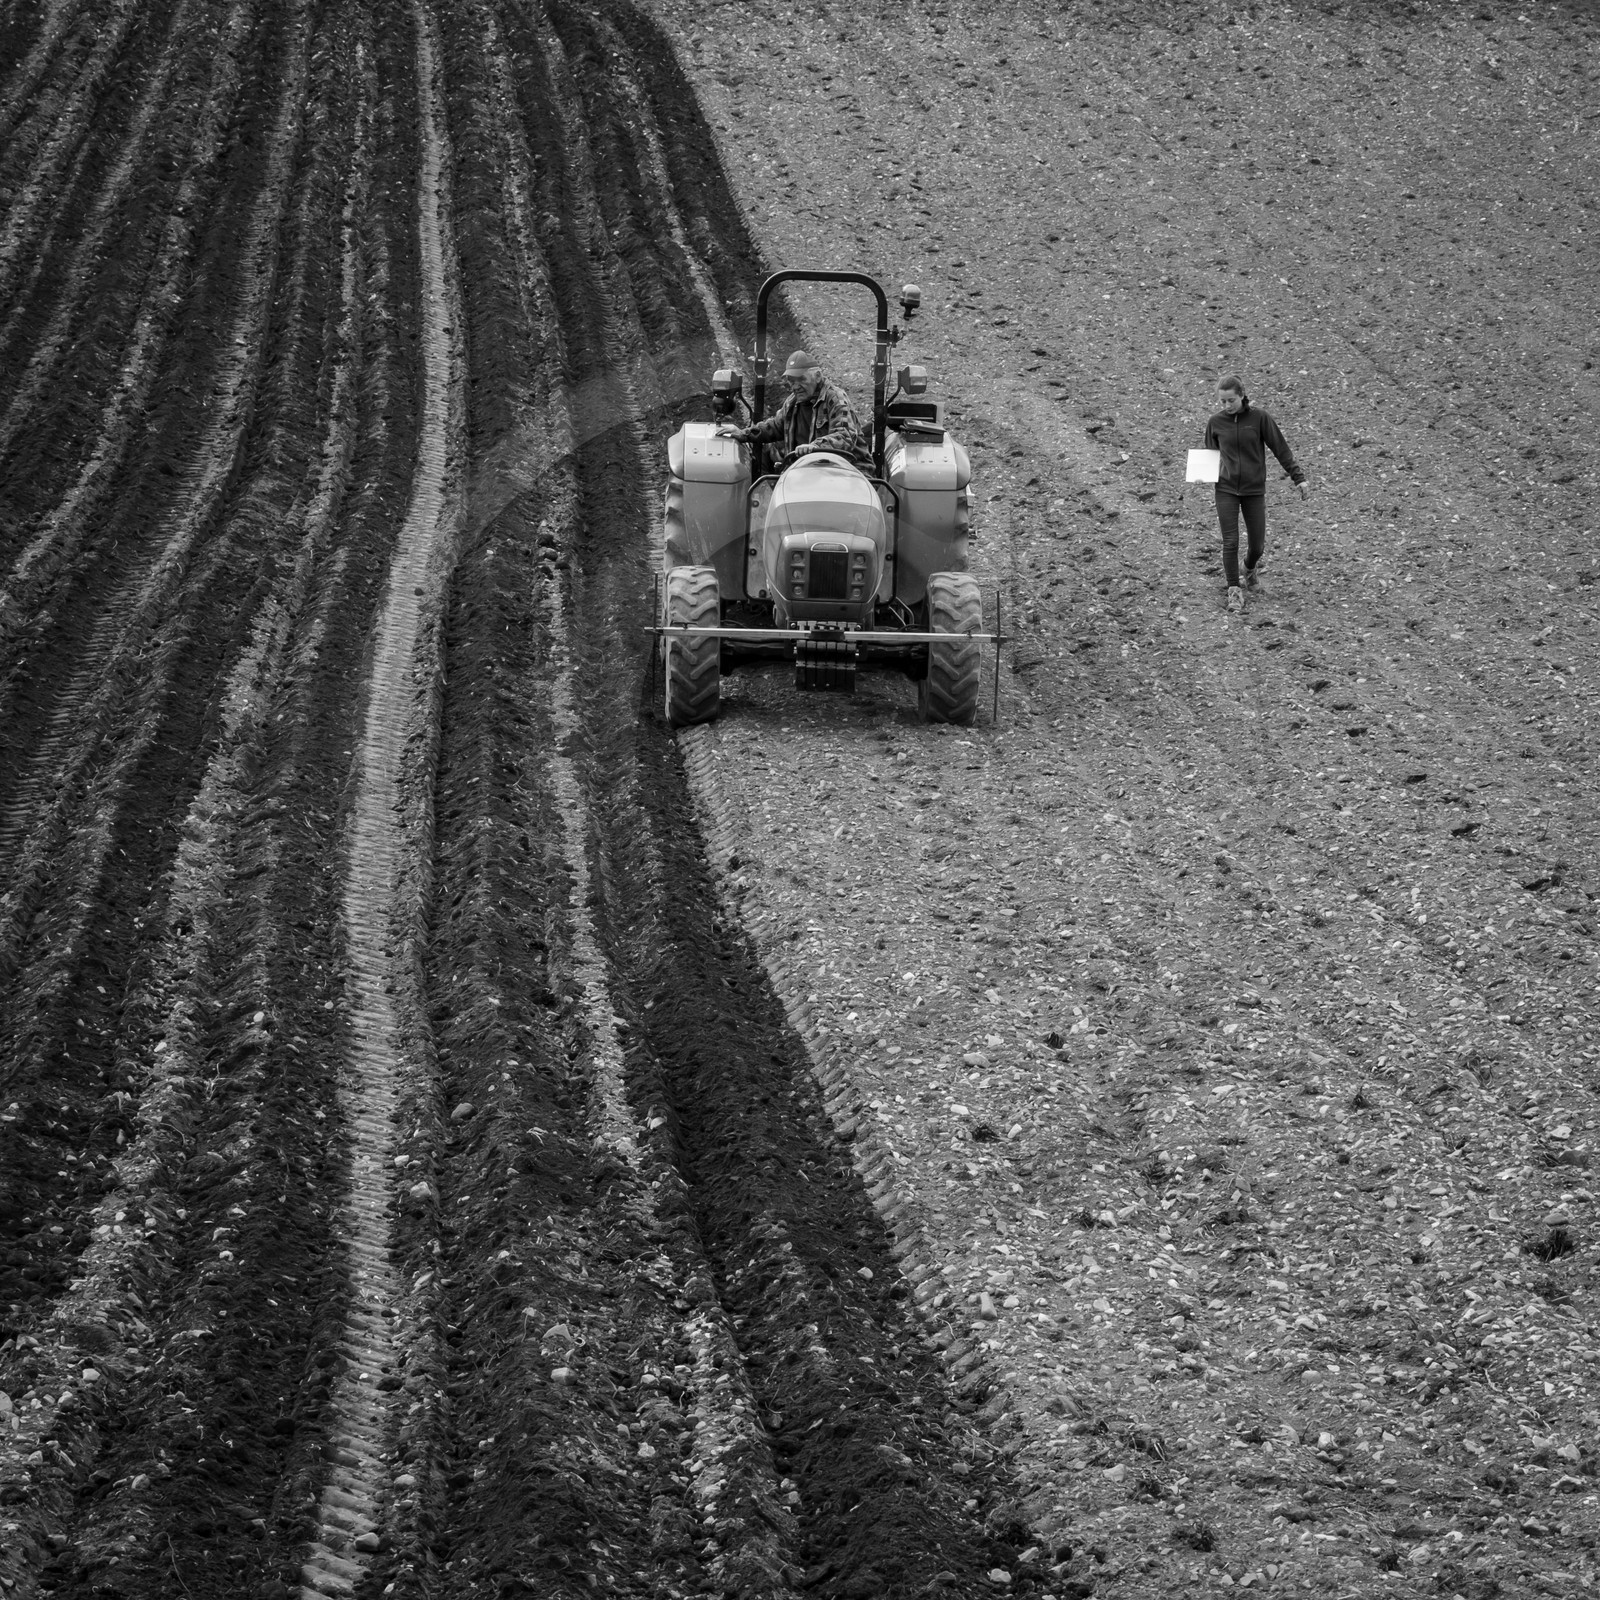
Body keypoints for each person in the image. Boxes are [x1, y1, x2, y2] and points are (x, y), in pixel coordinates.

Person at [1203, 375, 1309, 613]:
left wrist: (1298, 478)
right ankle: (1234, 591)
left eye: (1231, 400)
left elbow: (1280, 449)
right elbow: (1209, 455)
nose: (1227, 406)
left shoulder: (1259, 418)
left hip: (1253, 490)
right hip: (1226, 489)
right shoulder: (1215, 422)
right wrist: (1202, 474)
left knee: (1258, 546)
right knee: (1230, 542)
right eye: (1222, 402)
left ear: (1242, 395)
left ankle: (1249, 569)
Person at [720, 350, 870, 469]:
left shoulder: (835, 399)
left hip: (846, 470)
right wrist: (744, 433)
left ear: (817, 377)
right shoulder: (792, 402)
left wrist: (814, 448)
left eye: (801, 379)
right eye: (792, 381)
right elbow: (775, 427)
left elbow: (845, 436)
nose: (796, 386)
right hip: (806, 470)